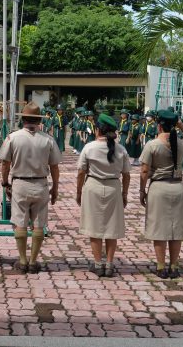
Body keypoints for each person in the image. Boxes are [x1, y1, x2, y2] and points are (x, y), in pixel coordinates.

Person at [0, 103, 61, 274]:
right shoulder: (48, 139)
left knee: (20, 222)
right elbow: (54, 167)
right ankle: (33, 261)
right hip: (41, 183)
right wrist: (55, 187)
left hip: (20, 183)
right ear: (39, 120)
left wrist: (5, 183)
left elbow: (5, 163)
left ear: (23, 119)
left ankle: (23, 260)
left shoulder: (13, 137)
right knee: (39, 224)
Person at [139, 110, 183, 279]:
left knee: (159, 229)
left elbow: (144, 170)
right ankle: (174, 265)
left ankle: (161, 266)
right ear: (174, 126)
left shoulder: (152, 145)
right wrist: (182, 127)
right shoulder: (179, 143)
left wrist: (142, 190)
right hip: (178, 187)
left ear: (159, 125)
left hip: (159, 188)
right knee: (176, 229)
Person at [76, 113, 131, 277]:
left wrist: (79, 191)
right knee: (111, 228)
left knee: (95, 227)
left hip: (93, 185)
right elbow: (127, 174)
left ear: (97, 129)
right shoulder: (121, 149)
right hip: (114, 186)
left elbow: (81, 172)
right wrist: (125, 193)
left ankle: (98, 263)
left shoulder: (89, 147)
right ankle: (109, 264)